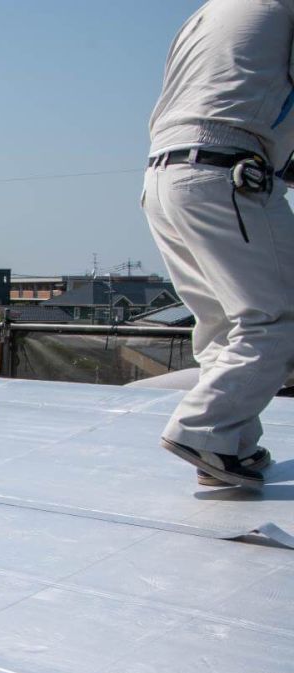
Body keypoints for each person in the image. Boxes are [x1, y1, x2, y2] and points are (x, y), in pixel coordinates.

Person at [143, 0, 294, 490]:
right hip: (228, 170)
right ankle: (205, 431)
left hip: (165, 177)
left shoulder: (209, 12)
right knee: (278, 318)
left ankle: (228, 447)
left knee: (226, 326)